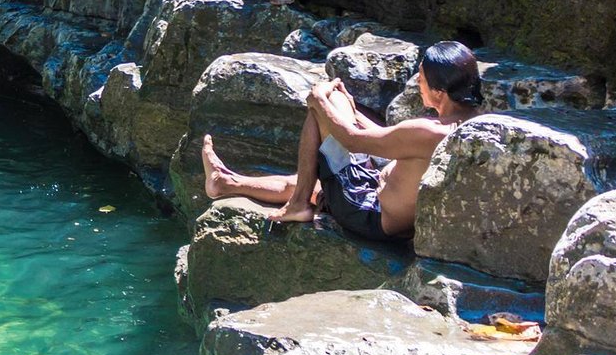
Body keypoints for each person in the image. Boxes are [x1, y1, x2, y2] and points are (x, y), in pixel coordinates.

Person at [200, 41, 484, 243]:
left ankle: (298, 204)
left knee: (324, 106)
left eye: (420, 78)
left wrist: (320, 101)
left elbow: (354, 141)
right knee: (317, 184)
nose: (417, 83)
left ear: (439, 91)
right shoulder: (475, 125)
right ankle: (225, 183)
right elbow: (388, 141)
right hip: (387, 207)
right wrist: (351, 111)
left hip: (369, 214)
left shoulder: (425, 131)